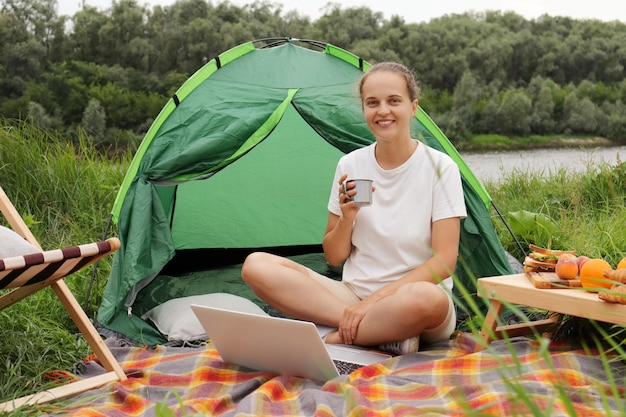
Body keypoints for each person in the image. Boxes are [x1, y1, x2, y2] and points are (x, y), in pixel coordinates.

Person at [241, 62, 467, 355]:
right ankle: (371, 333)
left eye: (393, 101)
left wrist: (375, 301)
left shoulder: (440, 167)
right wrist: (347, 219)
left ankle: (345, 334)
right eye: (372, 103)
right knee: (256, 265)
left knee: (427, 299)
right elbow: (334, 256)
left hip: (408, 300)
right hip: (351, 296)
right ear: (364, 109)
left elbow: (444, 262)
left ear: (413, 107)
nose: (382, 110)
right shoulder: (350, 165)